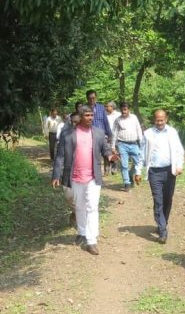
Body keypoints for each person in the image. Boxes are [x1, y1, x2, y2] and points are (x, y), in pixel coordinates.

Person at [52, 105, 117, 255]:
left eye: (91, 115)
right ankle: (81, 232)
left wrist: (110, 156)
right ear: (80, 117)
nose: (90, 118)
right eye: (87, 115)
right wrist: (56, 175)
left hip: (93, 177)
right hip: (74, 176)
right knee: (79, 206)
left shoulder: (99, 133)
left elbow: (105, 149)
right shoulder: (68, 134)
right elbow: (60, 155)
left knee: (92, 207)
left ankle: (92, 241)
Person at [139, 109, 185, 244]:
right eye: (157, 120)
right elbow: (141, 153)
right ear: (154, 120)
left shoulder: (172, 132)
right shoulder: (147, 134)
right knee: (158, 200)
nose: (160, 122)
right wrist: (137, 171)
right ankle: (162, 230)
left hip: (170, 171)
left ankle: (162, 221)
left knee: (167, 199)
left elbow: (179, 150)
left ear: (166, 119)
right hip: (154, 172)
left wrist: (179, 165)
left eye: (162, 120)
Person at [111, 101, 144, 191]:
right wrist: (113, 146)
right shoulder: (118, 120)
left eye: (125, 110)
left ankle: (131, 174)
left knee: (139, 162)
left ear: (129, 109)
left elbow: (139, 130)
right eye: (122, 110)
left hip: (134, 144)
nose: (124, 112)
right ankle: (127, 183)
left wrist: (142, 143)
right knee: (124, 165)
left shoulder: (134, 118)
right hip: (122, 144)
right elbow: (114, 133)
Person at [105, 101, 120, 174]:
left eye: (108, 106)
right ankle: (107, 168)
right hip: (107, 136)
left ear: (112, 107)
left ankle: (114, 168)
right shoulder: (104, 115)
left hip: (116, 136)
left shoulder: (118, 115)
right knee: (107, 152)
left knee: (115, 153)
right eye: (106, 106)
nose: (106, 108)